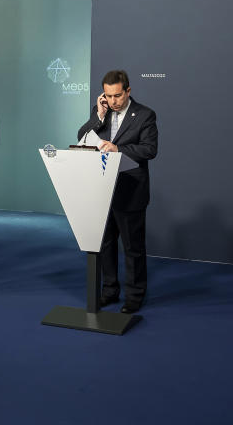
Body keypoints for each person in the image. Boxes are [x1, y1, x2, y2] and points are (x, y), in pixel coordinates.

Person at [77, 69, 158, 314]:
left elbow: (149, 149)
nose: (113, 101)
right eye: (108, 96)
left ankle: (134, 296)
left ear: (128, 91)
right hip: (102, 189)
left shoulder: (144, 115)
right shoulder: (101, 112)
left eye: (117, 96)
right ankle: (109, 290)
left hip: (130, 189)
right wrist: (98, 116)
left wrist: (118, 148)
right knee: (107, 244)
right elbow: (82, 137)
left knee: (133, 247)